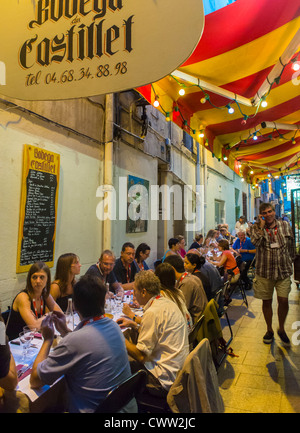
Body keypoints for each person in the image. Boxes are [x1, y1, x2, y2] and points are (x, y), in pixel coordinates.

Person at [30, 274, 137, 413]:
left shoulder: (74, 342)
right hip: (126, 408)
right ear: (103, 301)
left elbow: (35, 381)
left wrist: (48, 340)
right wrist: (64, 330)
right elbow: (83, 345)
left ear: (74, 305)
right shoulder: (114, 326)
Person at [117, 271, 189, 397]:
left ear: (144, 292)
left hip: (162, 380)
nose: (133, 294)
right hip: (177, 371)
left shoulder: (153, 312)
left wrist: (118, 336)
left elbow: (141, 357)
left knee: (120, 361)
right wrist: (134, 324)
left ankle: (122, 404)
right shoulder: (166, 302)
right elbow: (158, 335)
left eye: (135, 290)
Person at [250, 202, 295, 345]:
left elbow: (291, 244)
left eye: (270, 212)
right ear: (260, 215)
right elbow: (255, 243)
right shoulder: (255, 228)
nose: (268, 215)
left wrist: (292, 259)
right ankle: (269, 329)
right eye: (264, 213)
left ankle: (281, 328)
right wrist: (262, 227)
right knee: (267, 301)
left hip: (283, 270)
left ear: (274, 212)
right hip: (265, 271)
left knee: (283, 300)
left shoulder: (284, 225)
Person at [6, 262, 62, 341]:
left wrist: (40, 320)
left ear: (47, 279)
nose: (38, 281)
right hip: (16, 343)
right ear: (29, 279)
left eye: (42, 277)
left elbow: (61, 315)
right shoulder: (23, 297)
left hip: (34, 339)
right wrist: (48, 315)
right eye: (34, 277)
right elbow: (34, 327)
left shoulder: (45, 294)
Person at [164, 255, 207, 323]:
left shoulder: (187, 283)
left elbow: (181, 309)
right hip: (198, 318)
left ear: (172, 269)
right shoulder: (191, 277)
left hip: (195, 323)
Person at [155, 262, 193, 333]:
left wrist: (133, 316)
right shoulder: (178, 292)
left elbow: (153, 322)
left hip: (177, 336)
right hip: (188, 332)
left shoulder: (161, 296)